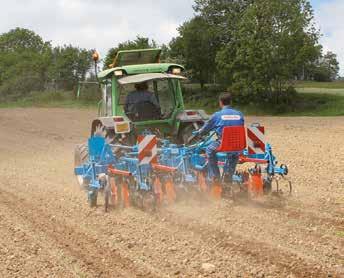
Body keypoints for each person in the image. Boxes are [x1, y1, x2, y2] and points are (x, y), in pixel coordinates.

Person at [193, 92, 244, 182]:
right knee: (234, 153)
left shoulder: (217, 115)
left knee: (209, 149)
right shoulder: (239, 114)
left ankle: (216, 176)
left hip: (223, 143)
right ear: (230, 102)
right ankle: (229, 174)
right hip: (238, 144)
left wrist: (199, 133)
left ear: (220, 102)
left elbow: (205, 129)